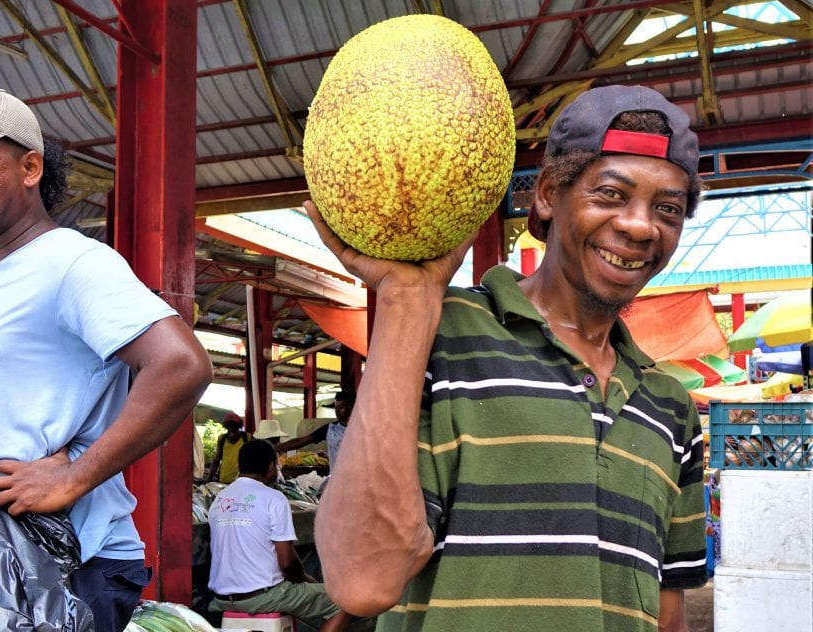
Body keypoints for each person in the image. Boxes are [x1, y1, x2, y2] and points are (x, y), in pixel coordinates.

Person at [309, 85, 708, 631]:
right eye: (611, 194)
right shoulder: (443, 336)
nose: (640, 226)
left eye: (668, 208)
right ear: (546, 195)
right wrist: (406, 300)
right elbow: (363, 579)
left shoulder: (673, 407)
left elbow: (667, 615)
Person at [0, 88, 213, 632]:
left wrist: (73, 478)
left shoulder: (71, 263)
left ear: (30, 167)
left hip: (48, 568)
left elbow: (182, 365)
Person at [207, 439, 350, 632]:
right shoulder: (273, 498)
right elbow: (287, 563)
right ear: (270, 467)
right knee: (344, 600)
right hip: (262, 596)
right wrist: (306, 579)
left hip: (221, 598)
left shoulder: (220, 499)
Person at [274, 390, 354, 469]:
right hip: (337, 478)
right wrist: (274, 448)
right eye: (335, 407)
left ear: (351, 407)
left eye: (341, 407)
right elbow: (301, 441)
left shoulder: (361, 430)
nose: (337, 411)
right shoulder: (330, 429)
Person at [207, 412, 249, 484]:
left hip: (240, 481)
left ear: (238, 427)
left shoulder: (247, 438)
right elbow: (216, 460)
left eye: (234, 428)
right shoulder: (222, 439)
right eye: (229, 428)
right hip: (224, 480)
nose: (231, 431)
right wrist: (209, 479)